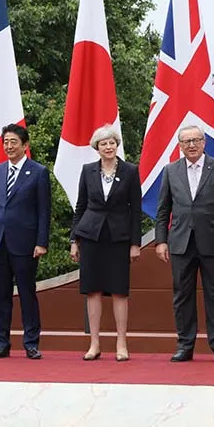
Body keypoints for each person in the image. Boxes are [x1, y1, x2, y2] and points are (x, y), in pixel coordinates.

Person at [155, 124, 214, 363]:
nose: (191, 145)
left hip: (212, 241)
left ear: (204, 142)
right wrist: (161, 241)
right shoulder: (170, 170)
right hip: (180, 243)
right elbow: (163, 210)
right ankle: (185, 345)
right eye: (186, 142)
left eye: (195, 140)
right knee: (182, 295)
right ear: (180, 146)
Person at [69, 125, 142, 362]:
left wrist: (135, 243)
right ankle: (94, 343)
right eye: (104, 144)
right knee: (93, 290)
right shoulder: (88, 171)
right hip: (91, 236)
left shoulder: (130, 171)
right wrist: (74, 240)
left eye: (112, 143)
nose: (108, 147)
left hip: (119, 237)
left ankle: (121, 342)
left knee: (119, 290)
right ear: (97, 148)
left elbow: (136, 210)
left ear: (117, 145)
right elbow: (80, 206)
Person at [0, 124, 51, 359]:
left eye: (14, 142)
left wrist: (41, 242)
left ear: (25, 145)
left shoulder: (38, 172)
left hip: (25, 243)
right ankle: (1, 342)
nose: (9, 146)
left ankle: (31, 342)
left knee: (26, 294)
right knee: (0, 295)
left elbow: (44, 211)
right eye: (6, 142)